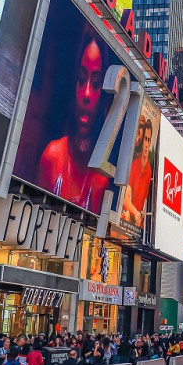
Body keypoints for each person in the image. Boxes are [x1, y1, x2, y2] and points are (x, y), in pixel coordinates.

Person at [37, 31, 110, 212]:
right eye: (81, 79)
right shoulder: (52, 156)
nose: (86, 94)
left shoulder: (102, 179)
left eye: (95, 84)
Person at [121, 117, 154, 227]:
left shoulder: (149, 170)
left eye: (148, 140)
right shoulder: (133, 163)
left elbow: (144, 201)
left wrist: (142, 215)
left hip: (137, 226)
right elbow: (125, 195)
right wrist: (135, 213)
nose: (146, 144)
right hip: (125, 221)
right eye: (145, 139)